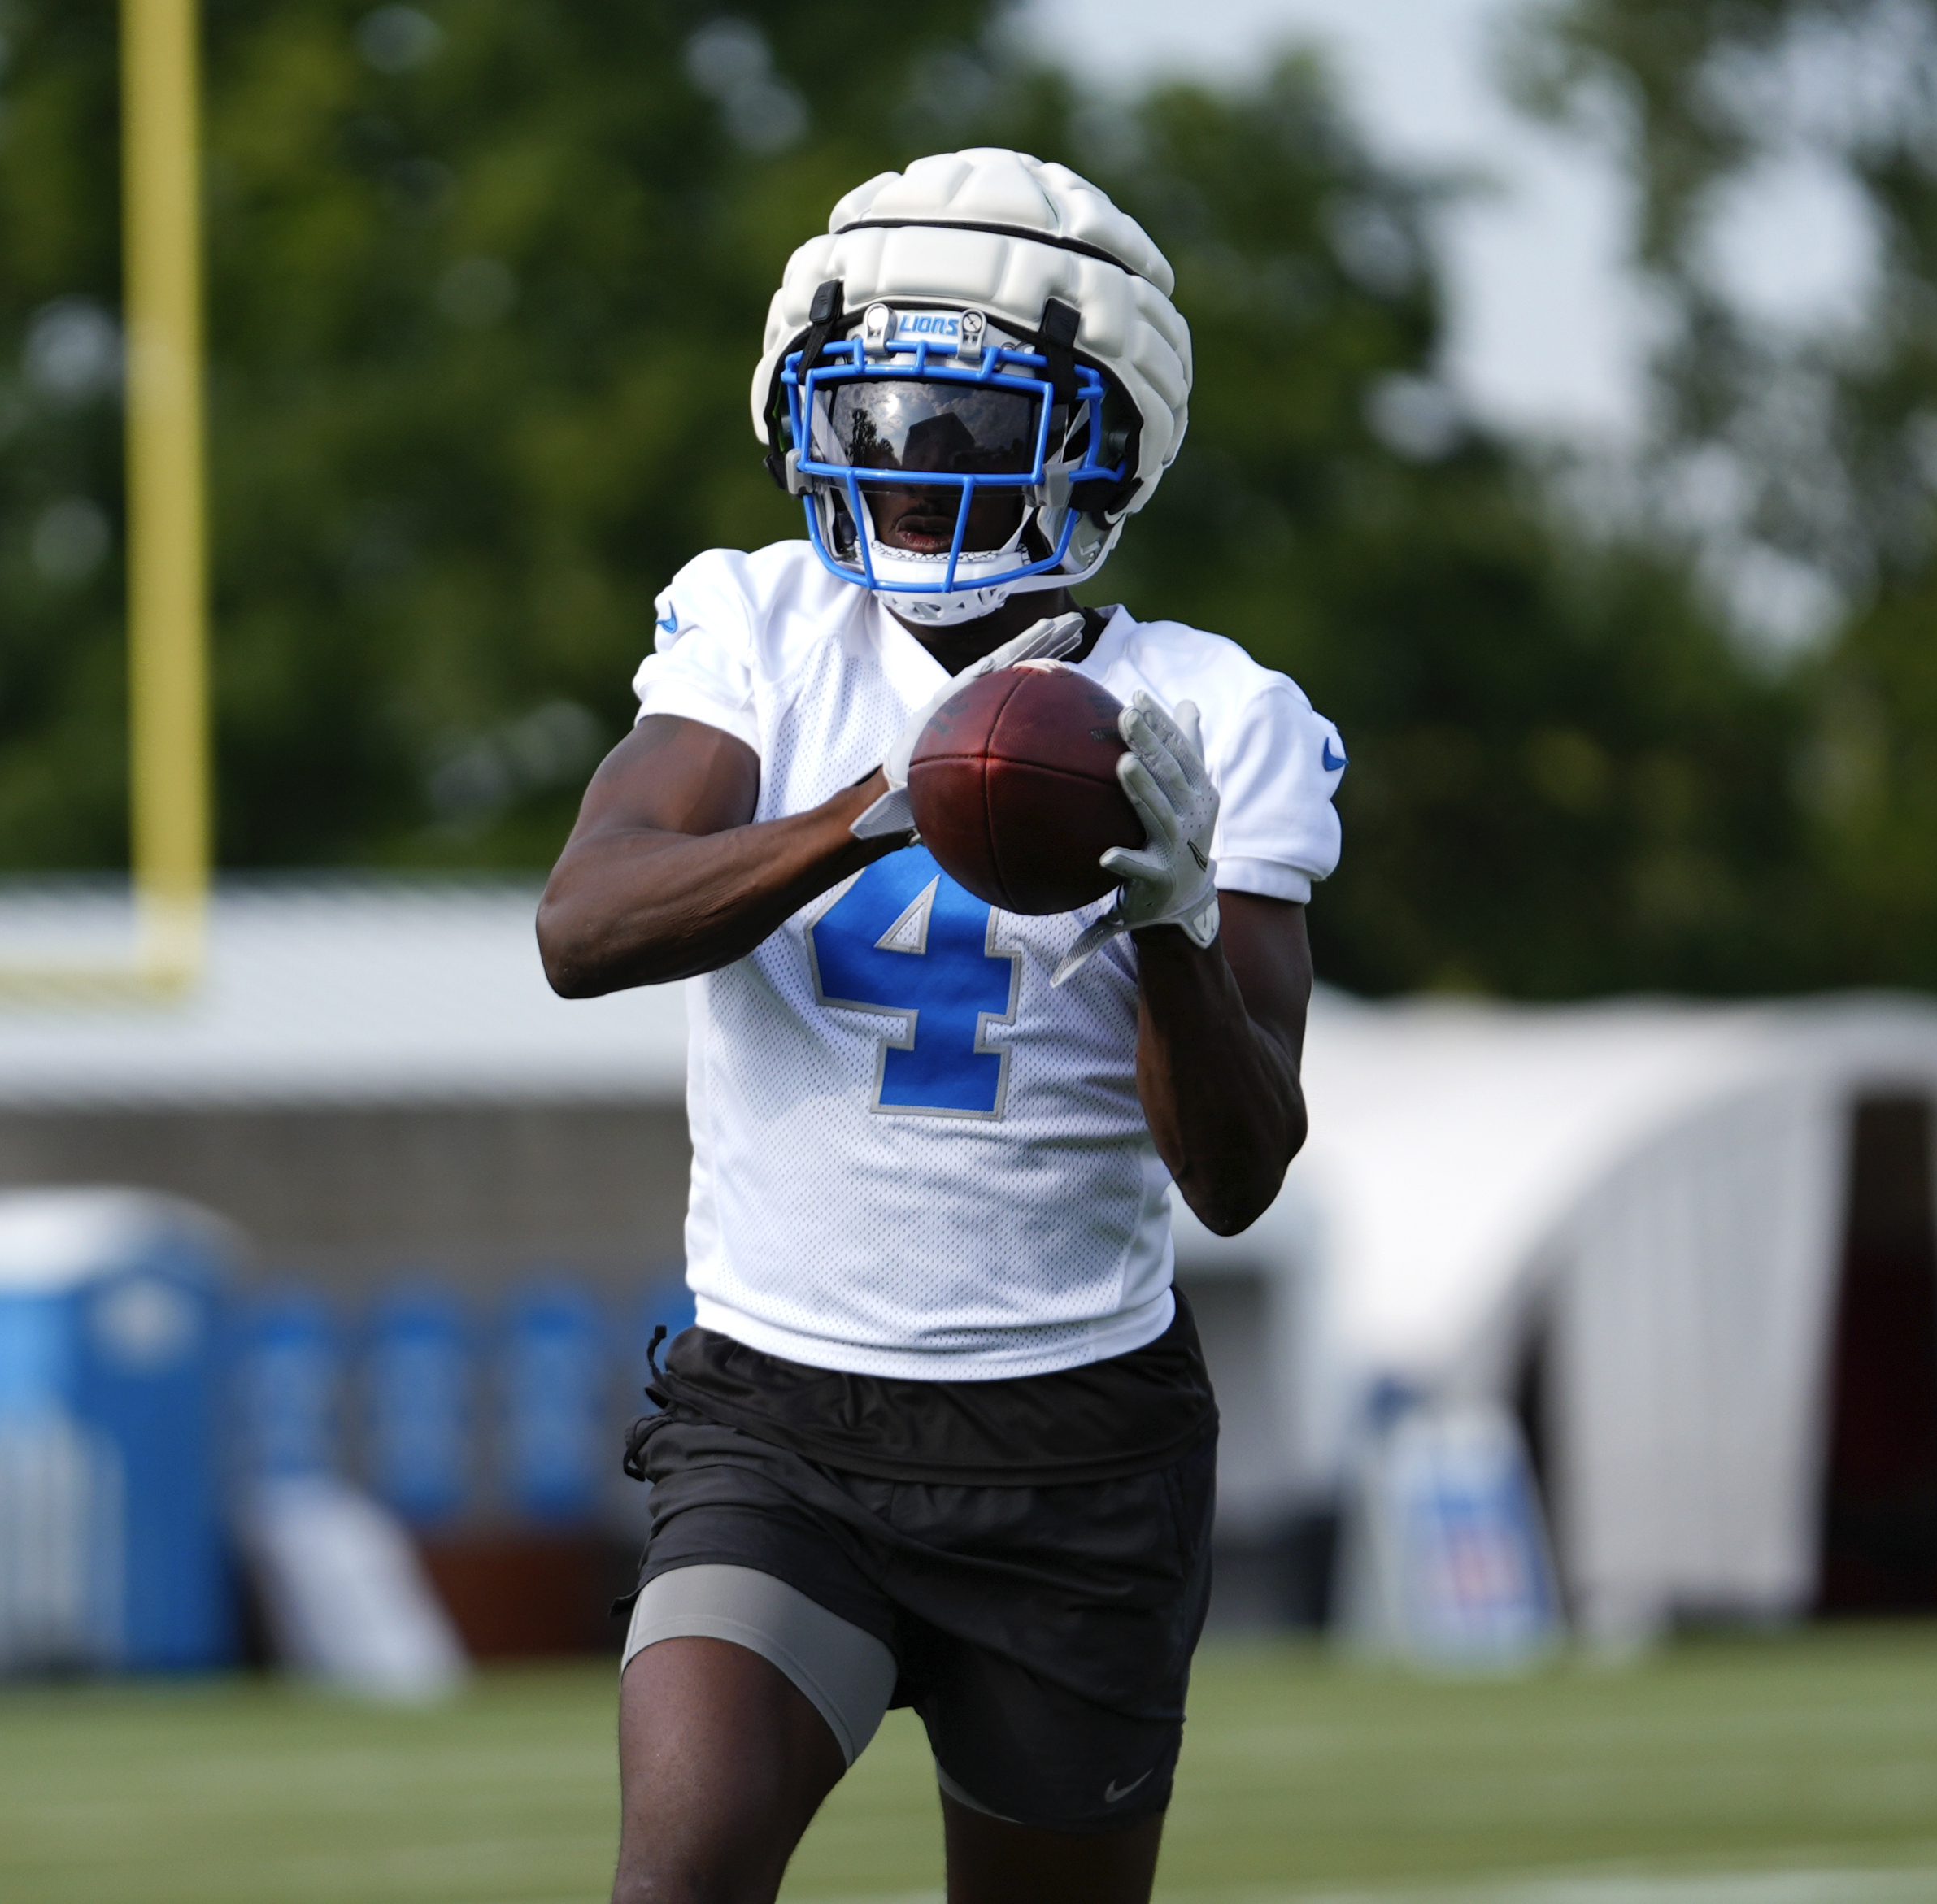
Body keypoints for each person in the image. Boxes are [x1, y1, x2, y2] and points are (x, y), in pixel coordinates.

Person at [538, 147, 1344, 1904]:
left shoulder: (1214, 711)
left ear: (1102, 441)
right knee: (673, 1881)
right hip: (779, 1414)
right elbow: (582, 927)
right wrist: (867, 810)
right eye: (871, 413)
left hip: (1075, 1446)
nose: (904, 468)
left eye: (964, 426)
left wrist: (1172, 925)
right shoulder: (760, 629)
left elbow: (1234, 1173)